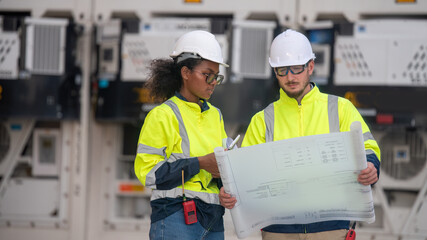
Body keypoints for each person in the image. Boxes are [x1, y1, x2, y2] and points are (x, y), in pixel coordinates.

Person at [219, 29, 381, 240]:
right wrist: (230, 190)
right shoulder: (262, 120)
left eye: (296, 68)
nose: (290, 77)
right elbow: (246, 176)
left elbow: (368, 147)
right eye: (282, 70)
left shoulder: (341, 108)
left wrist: (370, 166)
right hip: (279, 230)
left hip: (331, 227)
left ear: (310, 66)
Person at [134, 30, 229, 240]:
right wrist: (201, 163)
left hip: (214, 219)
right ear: (185, 73)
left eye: (217, 76)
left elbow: (222, 165)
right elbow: (149, 174)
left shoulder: (216, 116)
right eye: (208, 75)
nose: (213, 81)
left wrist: (225, 186)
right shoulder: (162, 115)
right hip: (175, 216)